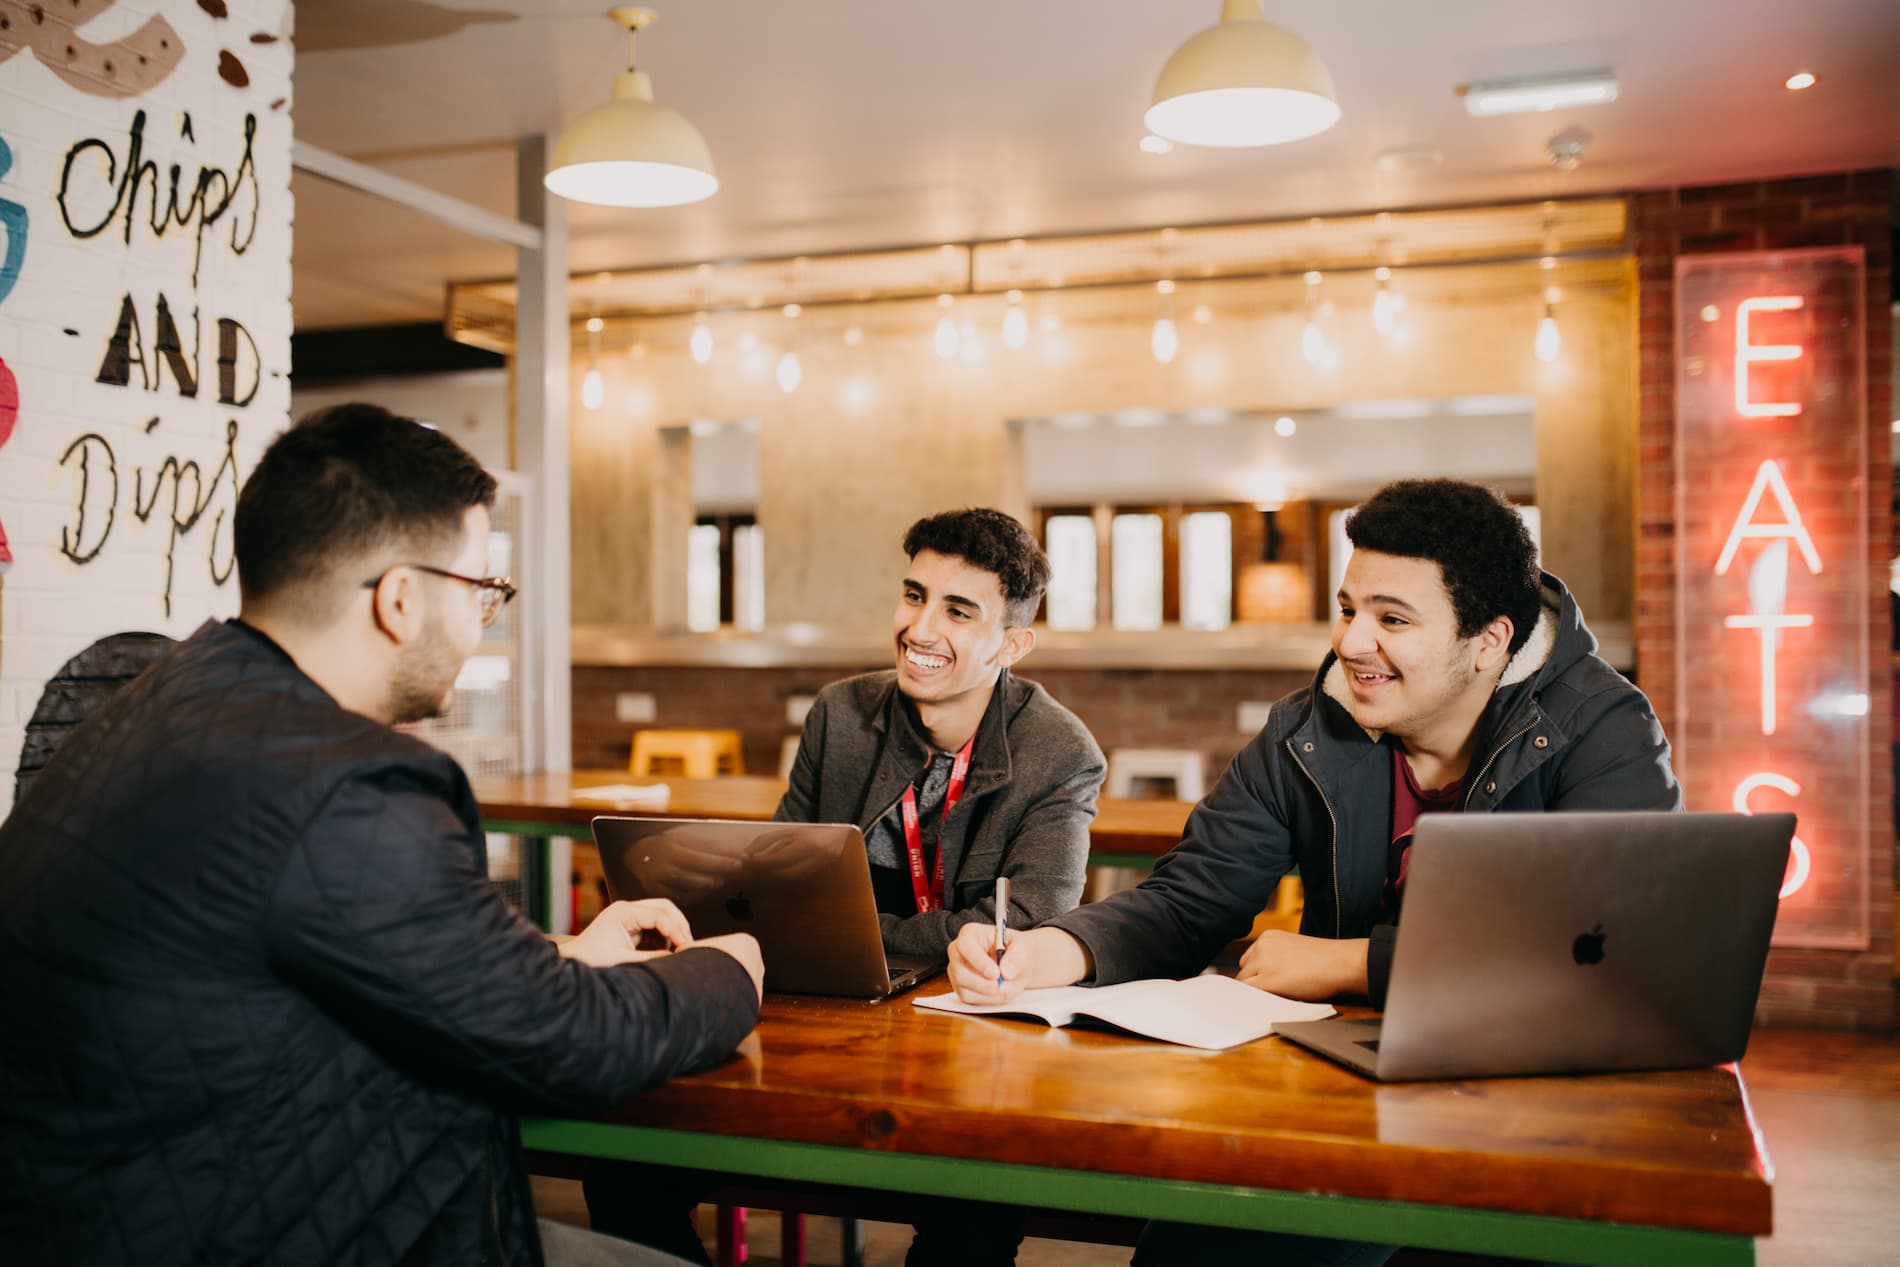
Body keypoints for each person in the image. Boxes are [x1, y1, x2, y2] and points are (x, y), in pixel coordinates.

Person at [0, 404, 765, 1267]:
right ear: (402, 598)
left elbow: (292, 943)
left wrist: (555, 954)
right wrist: (727, 972)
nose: (485, 618)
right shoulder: (350, 781)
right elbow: (570, 1046)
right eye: (482, 590)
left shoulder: (159, 701)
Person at [945, 478, 1681, 1267]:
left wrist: (1354, 961)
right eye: (1348, 607)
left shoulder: (1602, 730)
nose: (1353, 642)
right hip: (1345, 1102)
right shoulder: (1304, 730)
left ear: (1490, 640)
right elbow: (1191, 900)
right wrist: (1047, 951)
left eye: (1392, 619)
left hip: (1539, 1121)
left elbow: (1603, 958)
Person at [587, 506, 1106, 1266]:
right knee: (625, 1148)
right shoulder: (840, 714)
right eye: (913, 595)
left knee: (971, 1226)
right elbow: (766, 886)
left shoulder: (1060, 751)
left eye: (958, 611)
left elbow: (1028, 923)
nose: (920, 628)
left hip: (976, 1043)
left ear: (1012, 643)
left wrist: (851, 936)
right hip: (823, 1021)